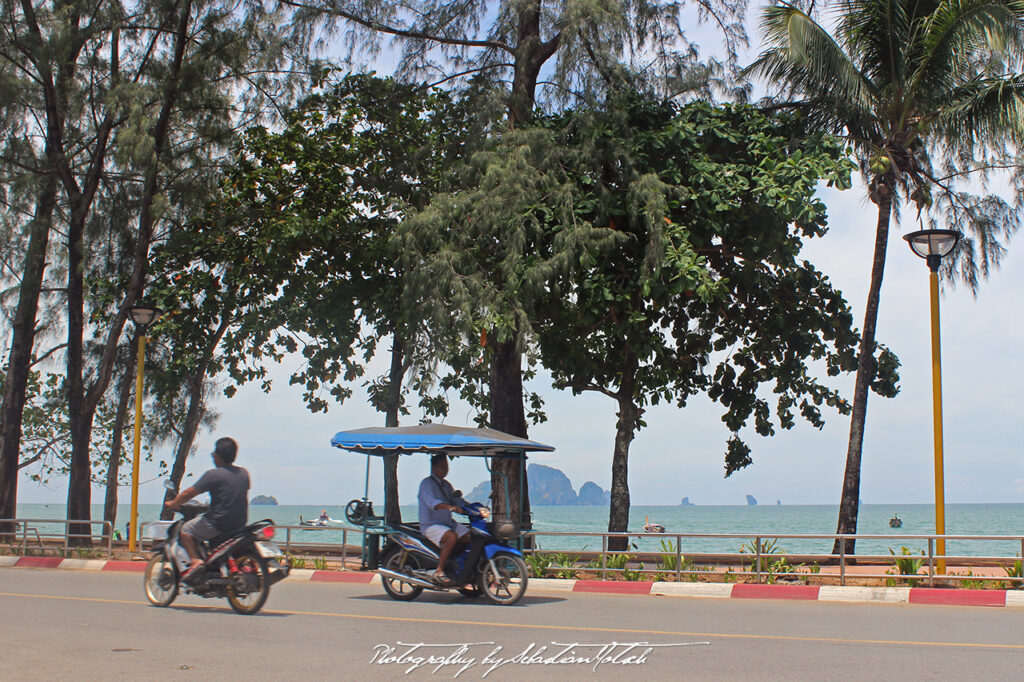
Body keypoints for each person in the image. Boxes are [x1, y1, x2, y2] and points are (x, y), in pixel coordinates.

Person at [165, 437, 250, 579]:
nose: (212, 456)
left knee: (186, 530)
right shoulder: (244, 473)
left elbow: (188, 493)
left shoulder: (213, 475)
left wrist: (174, 503)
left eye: (214, 453)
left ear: (218, 455)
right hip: (239, 524)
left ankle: (196, 560)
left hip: (218, 523)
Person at [418, 453, 471, 584]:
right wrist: (450, 508)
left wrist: (472, 507)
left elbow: (456, 500)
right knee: (451, 537)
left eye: (446, 466)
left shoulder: (446, 485)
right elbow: (433, 503)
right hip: (431, 524)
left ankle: (455, 564)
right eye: (442, 466)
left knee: (470, 536)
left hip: (447, 523)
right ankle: (439, 570)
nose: (445, 469)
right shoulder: (427, 484)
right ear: (434, 467)